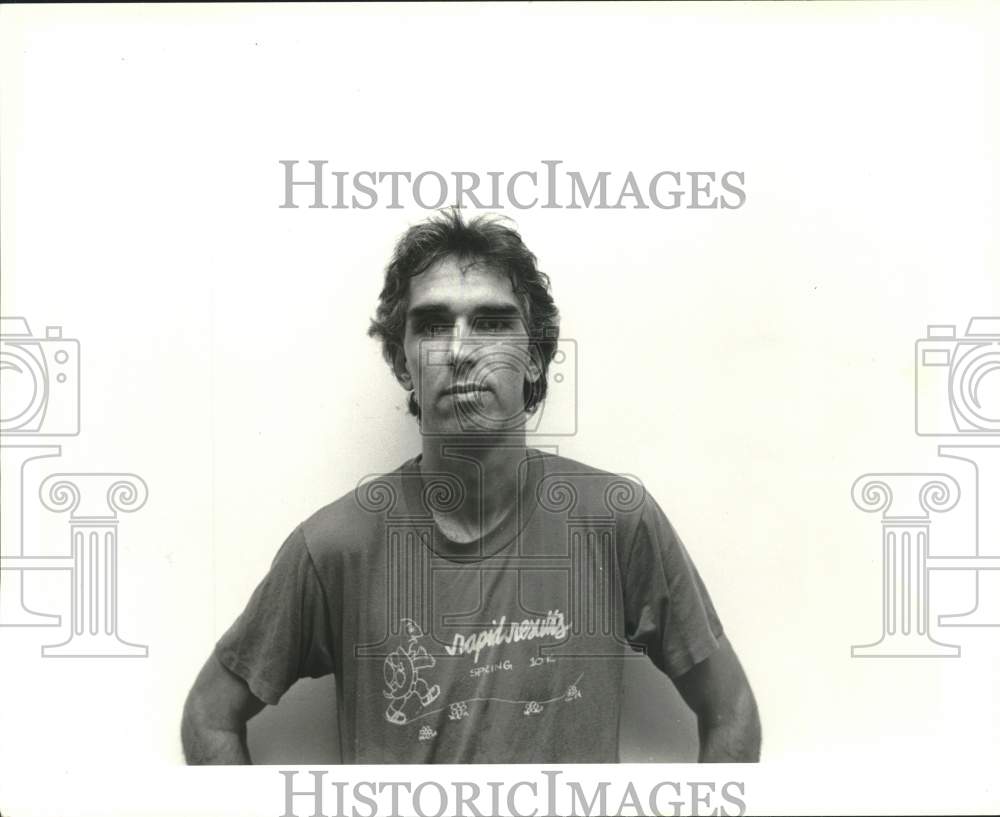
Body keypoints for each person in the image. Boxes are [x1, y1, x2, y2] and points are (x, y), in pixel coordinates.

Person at [181, 209, 761, 764]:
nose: (460, 351)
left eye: (491, 322)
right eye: (432, 325)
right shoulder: (336, 547)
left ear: (534, 358)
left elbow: (731, 712)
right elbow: (210, 717)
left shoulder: (614, 520)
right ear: (403, 362)